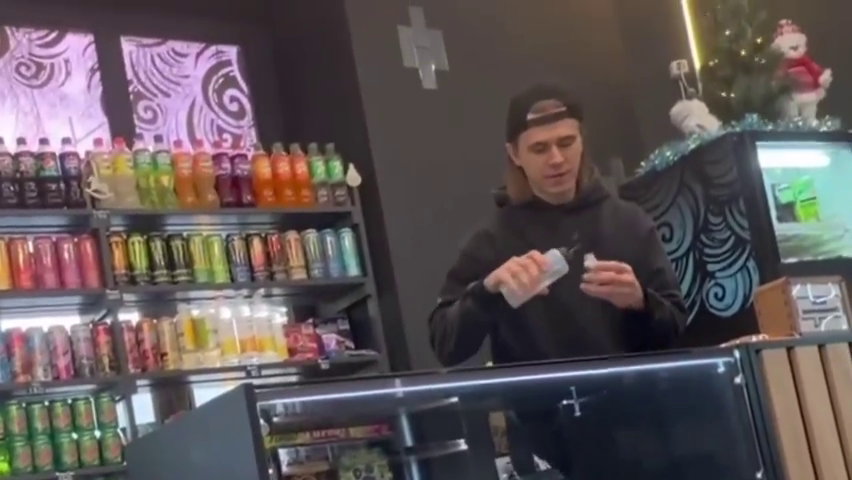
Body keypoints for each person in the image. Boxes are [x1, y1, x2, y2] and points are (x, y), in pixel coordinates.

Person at [427, 83, 688, 477]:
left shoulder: (629, 223)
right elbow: (444, 343)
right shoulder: (492, 240)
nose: (557, 159)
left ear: (582, 140)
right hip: (543, 450)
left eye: (567, 142)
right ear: (514, 154)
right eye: (539, 148)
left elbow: (675, 327)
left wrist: (640, 303)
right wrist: (486, 293)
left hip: (637, 441)